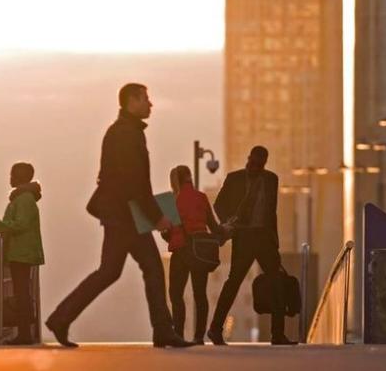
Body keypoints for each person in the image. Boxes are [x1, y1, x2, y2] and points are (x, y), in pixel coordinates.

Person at [46, 83, 192, 348]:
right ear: (131, 101)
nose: (151, 104)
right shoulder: (126, 134)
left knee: (118, 271)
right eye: (145, 99)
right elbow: (133, 182)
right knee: (141, 270)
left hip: (123, 214)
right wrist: (157, 217)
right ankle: (162, 331)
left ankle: (62, 318)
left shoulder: (125, 132)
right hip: (125, 217)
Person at [208, 146, 295, 345]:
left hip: (265, 238)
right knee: (233, 282)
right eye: (250, 162)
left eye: (257, 164)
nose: (252, 166)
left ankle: (278, 334)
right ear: (248, 159)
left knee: (277, 283)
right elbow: (219, 204)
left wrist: (274, 242)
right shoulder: (234, 178)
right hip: (244, 236)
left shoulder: (271, 180)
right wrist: (231, 222)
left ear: (264, 164)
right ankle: (215, 329)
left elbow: (272, 213)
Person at [0, 162, 45, 345]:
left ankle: (24, 334)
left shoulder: (24, 200)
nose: (10, 177)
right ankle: (24, 332)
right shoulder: (21, 199)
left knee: (21, 293)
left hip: (22, 252)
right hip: (20, 252)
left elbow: (20, 225)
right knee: (21, 292)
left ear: (20, 177)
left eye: (13, 174)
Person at [163, 165, 224, 344]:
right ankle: (199, 336)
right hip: (200, 251)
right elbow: (213, 226)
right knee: (200, 294)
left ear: (175, 181)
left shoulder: (172, 201)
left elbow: (167, 233)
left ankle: (179, 334)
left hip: (181, 252)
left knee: (176, 294)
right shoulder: (202, 197)